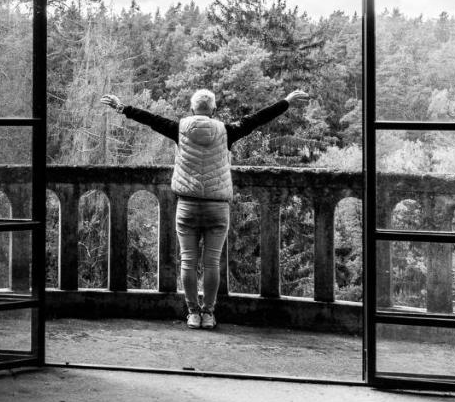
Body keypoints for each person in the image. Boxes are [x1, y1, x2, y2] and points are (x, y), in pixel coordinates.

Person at [99, 88, 311, 330]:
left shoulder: (179, 128)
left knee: (188, 262)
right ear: (213, 111)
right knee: (211, 263)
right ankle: (208, 314)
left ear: (192, 110)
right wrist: (286, 101)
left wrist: (122, 107)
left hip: (187, 205)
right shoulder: (226, 131)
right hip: (217, 207)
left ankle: (192, 313)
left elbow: (151, 119)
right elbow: (257, 118)